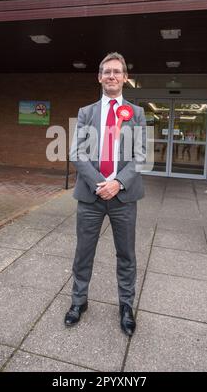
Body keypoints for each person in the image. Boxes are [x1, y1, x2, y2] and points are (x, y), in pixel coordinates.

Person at [65, 52, 146, 336]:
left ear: (125, 78)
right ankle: (78, 301)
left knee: (126, 254)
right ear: (99, 77)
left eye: (117, 71)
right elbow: (77, 153)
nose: (112, 76)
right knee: (83, 252)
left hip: (124, 197)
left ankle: (126, 305)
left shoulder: (136, 113)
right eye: (107, 71)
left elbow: (140, 155)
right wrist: (101, 183)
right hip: (91, 195)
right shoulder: (87, 112)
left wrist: (118, 183)